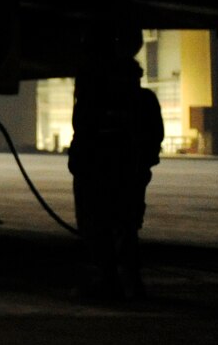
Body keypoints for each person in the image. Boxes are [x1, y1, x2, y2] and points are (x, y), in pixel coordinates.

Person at [66, 26, 164, 300]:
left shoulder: (95, 96)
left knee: (98, 229)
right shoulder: (144, 100)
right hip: (129, 174)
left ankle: (109, 281)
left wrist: (81, 163)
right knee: (126, 229)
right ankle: (131, 283)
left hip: (100, 174)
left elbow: (82, 130)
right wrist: (142, 165)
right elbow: (154, 138)